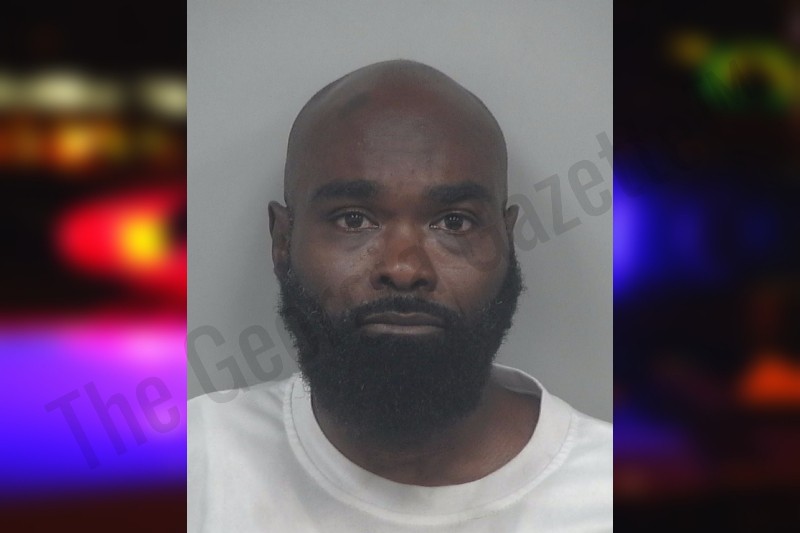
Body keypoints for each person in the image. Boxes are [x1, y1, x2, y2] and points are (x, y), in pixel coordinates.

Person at [188, 59, 612, 532]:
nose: (404, 269)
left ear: (506, 242)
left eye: (454, 222)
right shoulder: (194, 465)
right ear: (283, 241)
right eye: (353, 219)